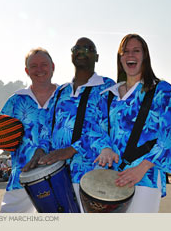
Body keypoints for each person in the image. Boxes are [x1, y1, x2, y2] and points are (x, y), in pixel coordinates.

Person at [95, 34, 171, 213]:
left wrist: (141, 169)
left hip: (145, 177)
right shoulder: (108, 95)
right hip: (111, 179)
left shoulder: (161, 90)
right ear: (120, 58)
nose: (130, 55)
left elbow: (170, 136)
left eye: (136, 51)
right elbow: (98, 130)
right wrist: (105, 148)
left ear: (145, 56)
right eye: (125, 52)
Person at [36, 37, 115, 212]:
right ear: (71, 55)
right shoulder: (60, 91)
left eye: (88, 48)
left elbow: (106, 129)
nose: (81, 52)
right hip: (56, 176)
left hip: (91, 174)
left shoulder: (108, 87)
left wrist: (70, 150)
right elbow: (46, 126)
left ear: (97, 56)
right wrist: (40, 151)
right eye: (77, 48)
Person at [0, 47, 57, 212]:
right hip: (21, 182)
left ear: (53, 67)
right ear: (27, 71)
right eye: (33, 66)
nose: (39, 69)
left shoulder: (67, 98)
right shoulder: (16, 101)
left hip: (60, 180)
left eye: (44, 64)